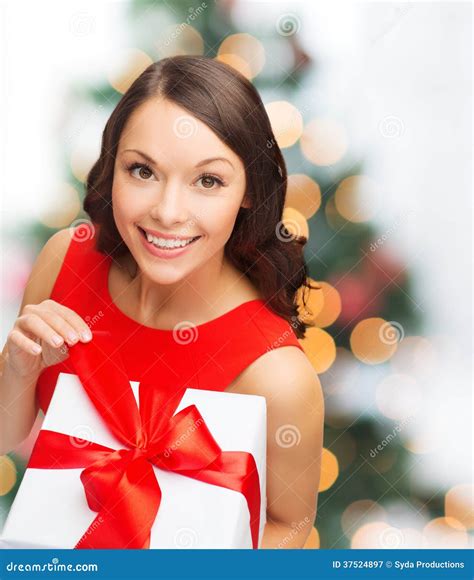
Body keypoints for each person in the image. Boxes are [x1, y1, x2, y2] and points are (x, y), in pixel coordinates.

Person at [0, 55, 324, 548]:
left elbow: (290, 522)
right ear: (112, 169)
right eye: (142, 171)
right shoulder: (64, 260)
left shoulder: (276, 374)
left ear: (250, 192)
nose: (168, 212)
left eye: (208, 181)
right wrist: (16, 368)